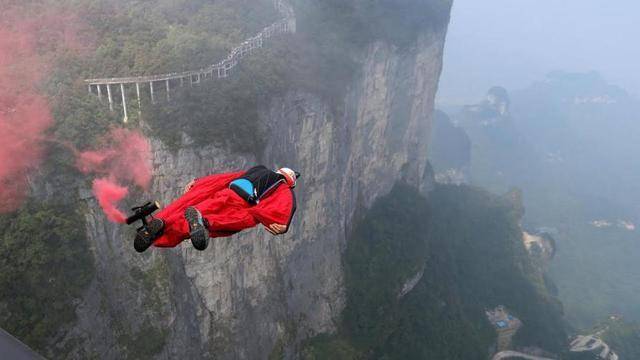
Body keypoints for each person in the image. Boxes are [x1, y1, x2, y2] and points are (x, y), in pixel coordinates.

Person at [133, 165, 299, 253]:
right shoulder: (282, 186)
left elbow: (225, 178)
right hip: (242, 203)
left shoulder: (258, 170)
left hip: (225, 192)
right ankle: (204, 223)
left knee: (189, 212)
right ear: (290, 180)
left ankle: (160, 226)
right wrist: (283, 223)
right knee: (240, 221)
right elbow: (286, 203)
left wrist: (199, 183)